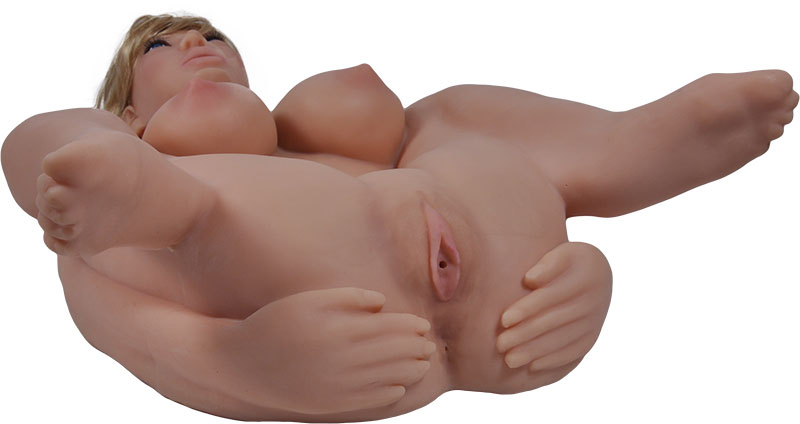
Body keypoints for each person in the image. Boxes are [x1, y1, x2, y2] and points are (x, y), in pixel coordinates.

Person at [2, 13, 796, 424]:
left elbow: (492, 165)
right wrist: (241, 359)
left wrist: (584, 274)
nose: (196, 43)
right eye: (161, 47)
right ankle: (104, 182)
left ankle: (632, 145)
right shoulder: (134, 164)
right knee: (85, 164)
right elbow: (126, 324)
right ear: (130, 108)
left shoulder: (318, 126)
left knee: (447, 116)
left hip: (508, 319)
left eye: (210, 34)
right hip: (199, 242)